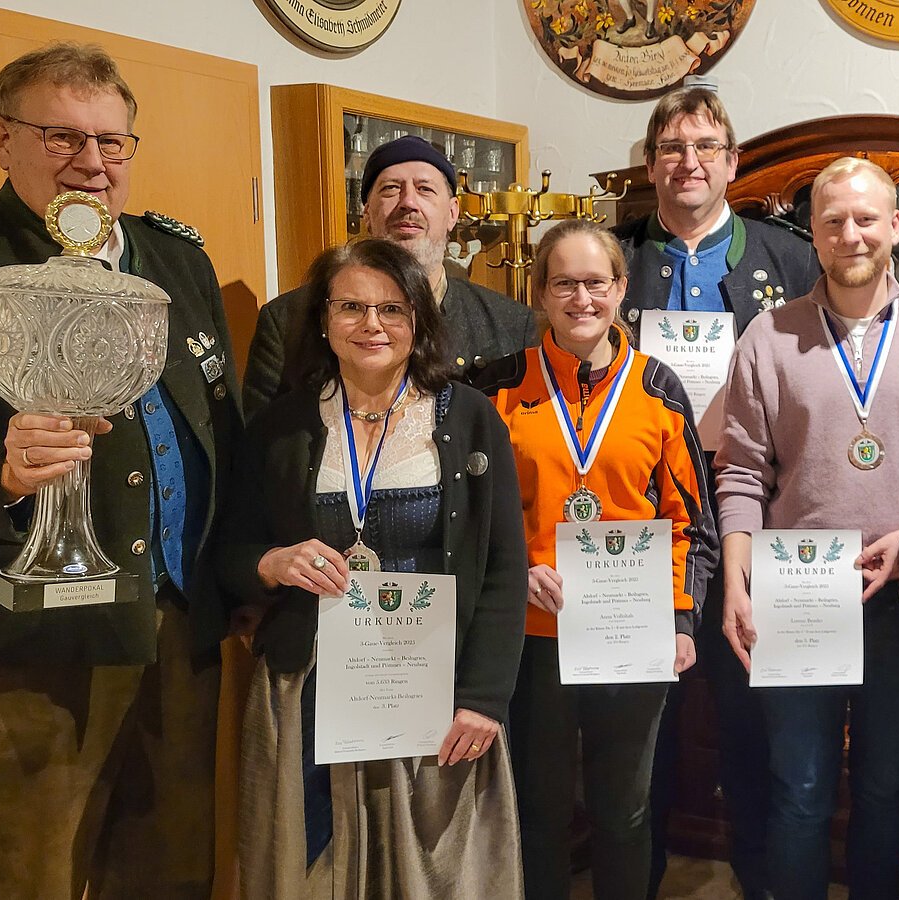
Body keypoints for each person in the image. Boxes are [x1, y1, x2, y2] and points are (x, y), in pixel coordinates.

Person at [0, 43, 239, 898]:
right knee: (30, 877)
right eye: (62, 137)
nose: (91, 162)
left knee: (171, 874)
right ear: (1, 138)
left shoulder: (176, 258)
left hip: (180, 624)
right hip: (29, 643)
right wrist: (1, 476)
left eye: (111, 142)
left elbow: (219, 430)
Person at [216, 238, 528, 897]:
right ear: (322, 319)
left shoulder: (471, 420)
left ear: (419, 319)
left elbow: (503, 566)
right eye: (351, 306)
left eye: (392, 308)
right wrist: (272, 562)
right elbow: (230, 551)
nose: (372, 324)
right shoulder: (279, 427)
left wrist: (483, 698)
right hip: (310, 687)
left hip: (436, 691)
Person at [717, 157, 899, 900]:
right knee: (799, 787)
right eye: (833, 221)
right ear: (813, 232)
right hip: (796, 594)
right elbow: (742, 472)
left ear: (895, 226)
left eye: (867, 219)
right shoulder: (769, 337)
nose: (851, 235)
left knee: (884, 783)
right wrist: (737, 581)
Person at [613, 85, 822, 899]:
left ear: (733, 162)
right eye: (671, 147)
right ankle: (641, 880)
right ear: (651, 165)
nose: (688, 162)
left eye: (705, 146)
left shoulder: (789, 258)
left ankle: (759, 880)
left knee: (753, 714)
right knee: (646, 718)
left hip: (756, 514)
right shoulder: (617, 261)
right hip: (646, 519)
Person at [475, 218, 718, 900]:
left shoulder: (658, 387)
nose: (581, 299)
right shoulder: (497, 387)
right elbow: (474, 519)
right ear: (540, 293)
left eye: (595, 283)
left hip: (630, 631)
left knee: (625, 810)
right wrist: (515, 572)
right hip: (533, 635)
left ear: (620, 288)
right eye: (564, 284)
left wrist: (681, 620)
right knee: (539, 811)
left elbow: (690, 523)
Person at [244, 134, 537, 419]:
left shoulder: (509, 324)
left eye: (425, 189)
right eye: (391, 189)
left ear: (452, 214)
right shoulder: (287, 321)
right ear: (366, 214)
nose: (408, 202)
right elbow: (262, 441)